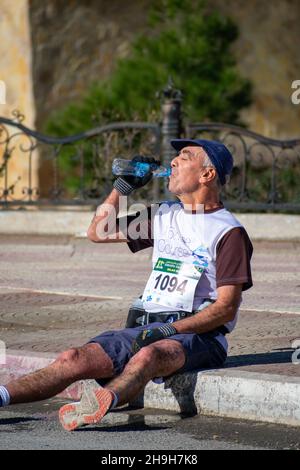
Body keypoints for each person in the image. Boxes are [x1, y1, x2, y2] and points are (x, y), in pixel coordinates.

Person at [0, 139, 253, 432]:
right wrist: (123, 188)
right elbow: (98, 231)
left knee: (150, 355)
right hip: (145, 327)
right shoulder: (164, 214)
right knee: (73, 358)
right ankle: (3, 397)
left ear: (207, 174)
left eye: (184, 157)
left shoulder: (228, 232)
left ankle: (100, 401)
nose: (172, 162)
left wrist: (170, 330)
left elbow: (225, 308)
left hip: (199, 336)